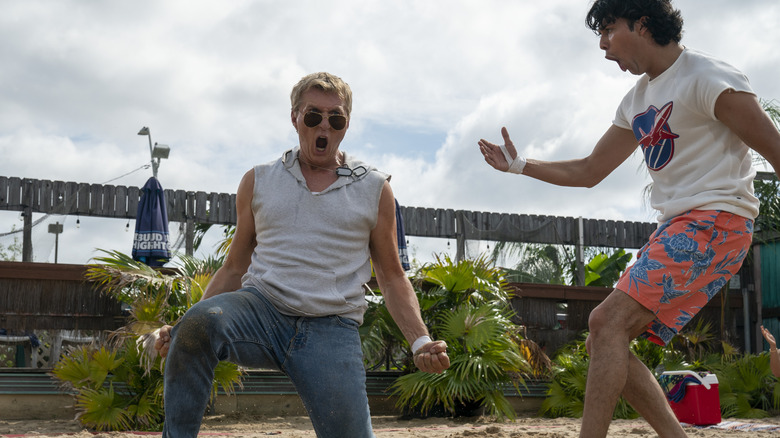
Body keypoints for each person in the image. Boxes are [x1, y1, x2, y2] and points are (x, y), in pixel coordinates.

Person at [478, 1, 780, 437]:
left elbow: (774, 148)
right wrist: (520, 165)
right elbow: (588, 171)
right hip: (678, 227)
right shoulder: (636, 100)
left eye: (607, 30)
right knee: (608, 336)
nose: (602, 46)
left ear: (642, 24)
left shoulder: (709, 77)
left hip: (718, 221)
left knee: (606, 324)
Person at [154, 72, 450, 438]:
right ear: (295, 117)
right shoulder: (258, 180)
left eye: (335, 118)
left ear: (346, 125)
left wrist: (420, 340)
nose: (323, 125)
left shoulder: (374, 188)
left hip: (331, 327)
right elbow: (234, 267)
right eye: (313, 116)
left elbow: (391, 276)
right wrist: (184, 327)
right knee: (199, 324)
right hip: (261, 311)